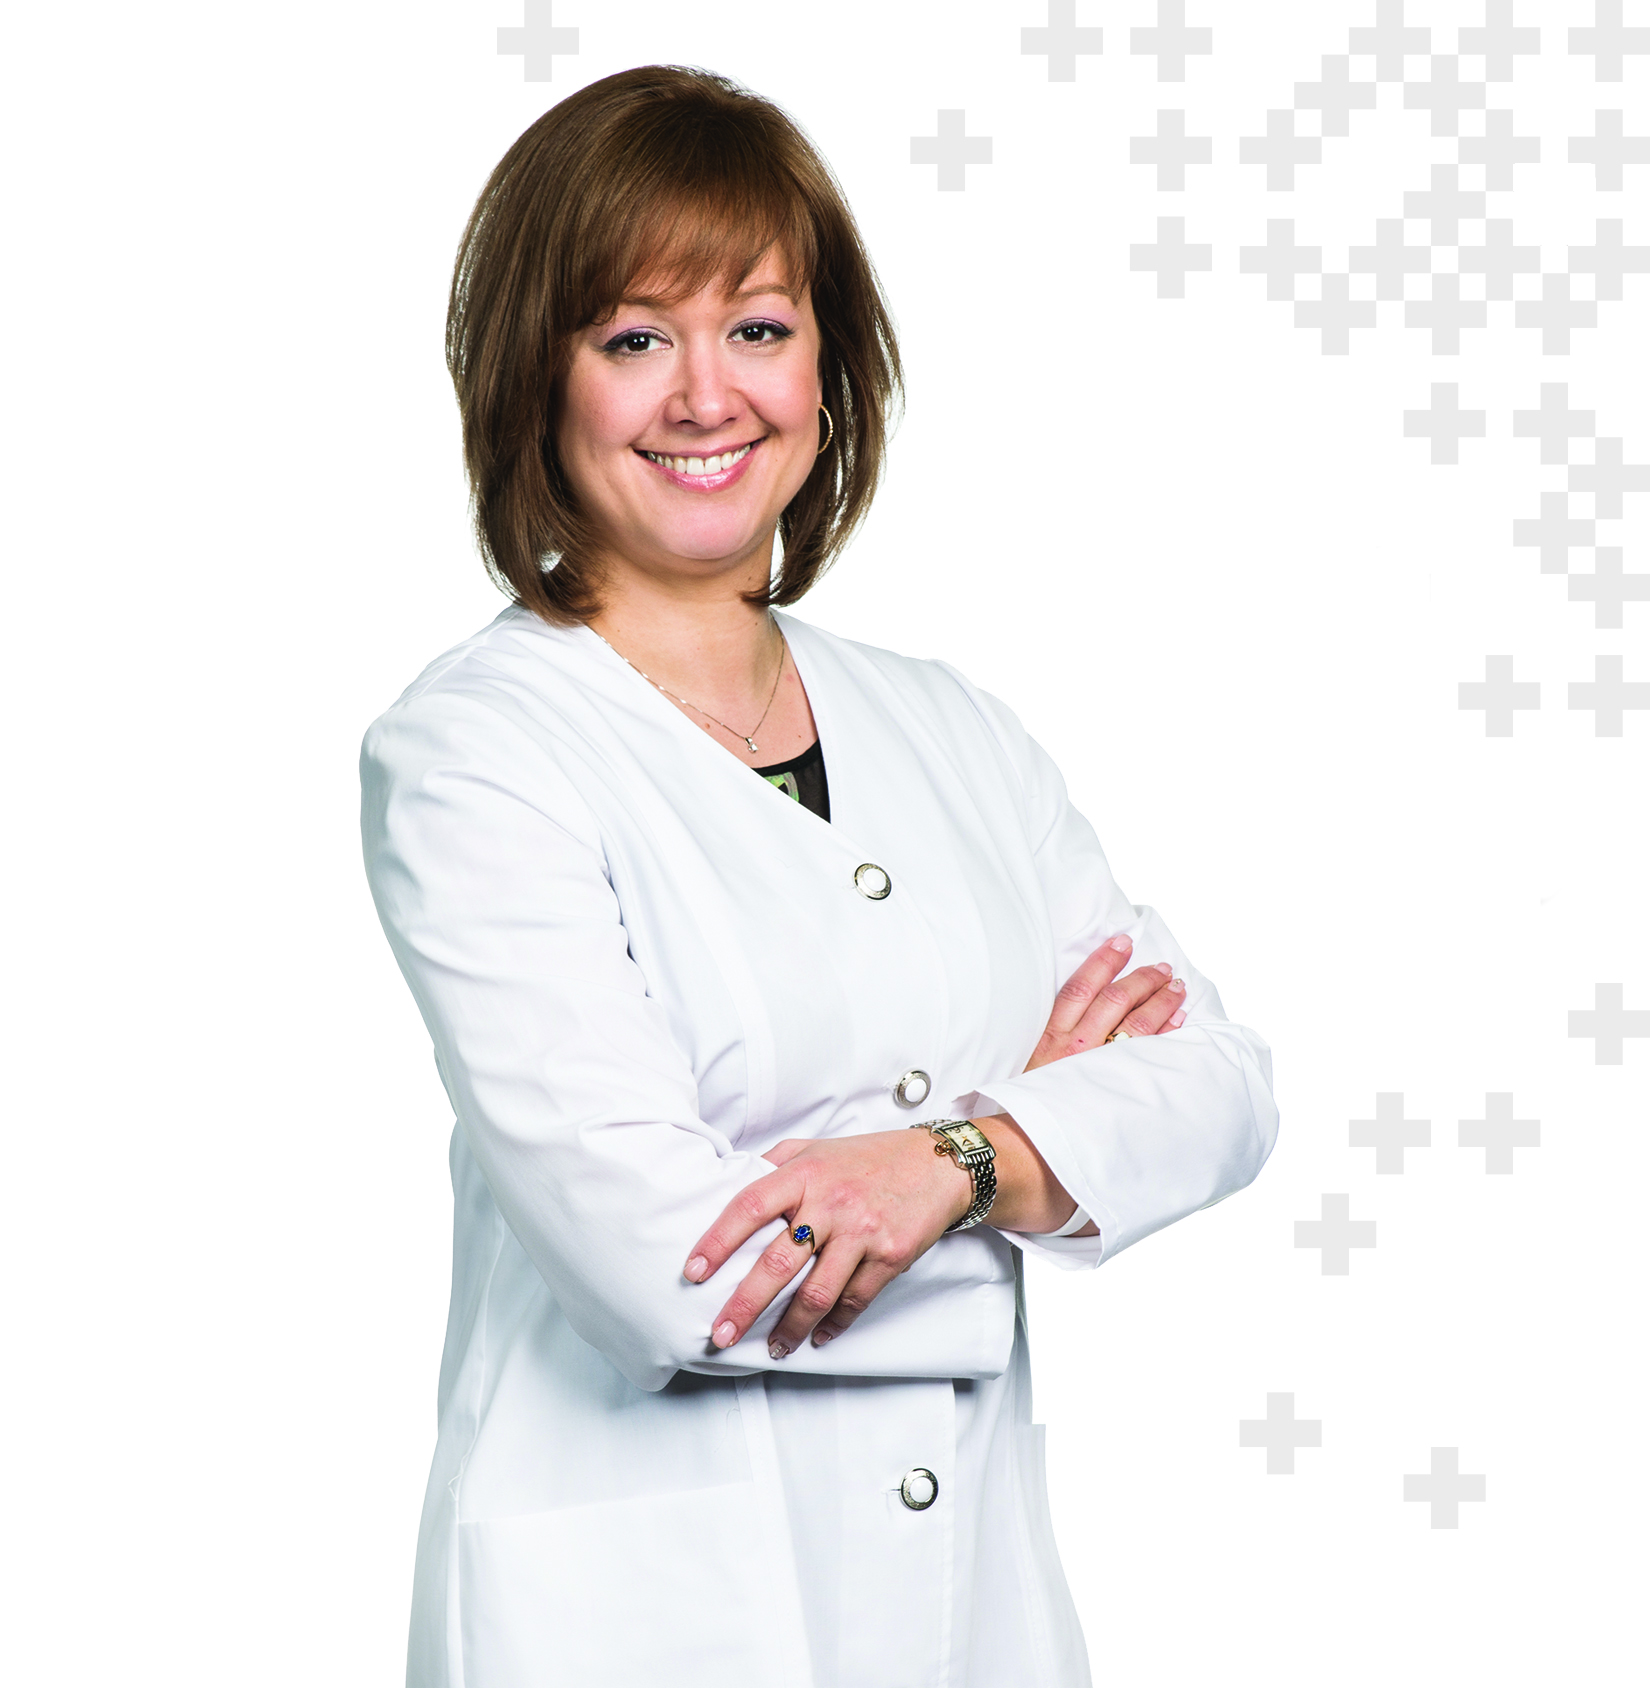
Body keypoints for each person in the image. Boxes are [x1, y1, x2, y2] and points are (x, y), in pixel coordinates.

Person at [360, 64, 1279, 1688]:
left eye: (759, 328)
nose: (705, 395)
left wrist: (949, 1162)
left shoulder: (949, 728)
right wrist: (1043, 1159)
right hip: (639, 1617)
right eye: (632, 338)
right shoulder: (477, 753)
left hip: (968, 1610)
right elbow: (663, 1272)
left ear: (824, 368)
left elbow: (1217, 1086)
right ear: (533, 376)